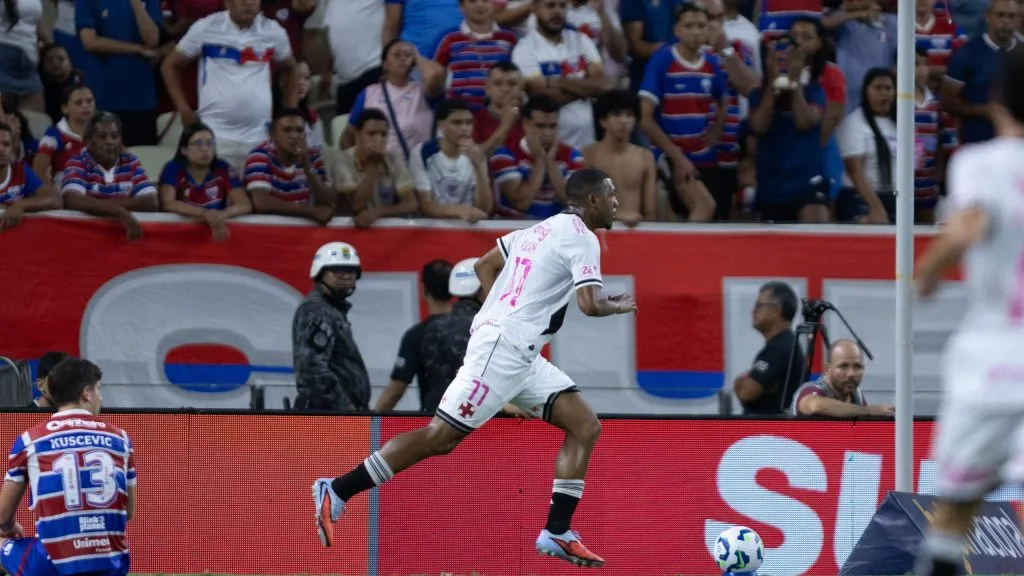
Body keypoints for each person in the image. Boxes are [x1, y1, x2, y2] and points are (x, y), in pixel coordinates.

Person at [311, 168, 636, 569]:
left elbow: (484, 266)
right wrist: (616, 305)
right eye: (611, 194)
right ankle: (338, 489)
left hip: (521, 354)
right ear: (591, 201)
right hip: (504, 349)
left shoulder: (537, 230)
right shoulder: (584, 238)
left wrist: (494, 314)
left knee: (585, 425)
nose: (616, 202)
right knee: (441, 438)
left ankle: (556, 530)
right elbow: (590, 304)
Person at [912, 47, 1024, 576]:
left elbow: (969, 227)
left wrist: (928, 274)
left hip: (994, 356)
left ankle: (939, 567)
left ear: (998, 100)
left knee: (958, 500)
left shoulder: (979, 163)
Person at [0, 357, 135, 576]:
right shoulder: (121, 439)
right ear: (86, 393)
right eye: (98, 389)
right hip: (112, 564)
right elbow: (128, 512)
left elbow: (2, 517)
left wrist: (8, 529)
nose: (101, 397)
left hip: (51, 564)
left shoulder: (29, 440)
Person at [161, 0, 298, 172]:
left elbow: (291, 69)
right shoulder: (206, 27)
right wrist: (183, 108)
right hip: (215, 137)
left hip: (259, 137)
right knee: (216, 196)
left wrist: (290, 113)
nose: (248, 3)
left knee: (259, 196)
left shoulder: (273, 31)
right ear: (228, 3)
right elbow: (169, 66)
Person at [638, 3, 723, 222]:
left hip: (703, 155)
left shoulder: (712, 63)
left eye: (701, 26)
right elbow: (645, 119)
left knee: (698, 216)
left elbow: (723, 98)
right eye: (689, 26)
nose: (695, 31)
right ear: (677, 30)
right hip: (670, 155)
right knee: (704, 206)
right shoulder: (663, 60)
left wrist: (717, 128)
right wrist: (677, 158)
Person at [418, 257, 532, 418]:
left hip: (434, 416)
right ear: (479, 290)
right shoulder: (489, 328)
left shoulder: (433, 328)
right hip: (476, 420)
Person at [512, 0, 606, 149]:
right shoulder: (524, 49)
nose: (557, 11)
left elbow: (601, 85)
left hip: (587, 143)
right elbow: (543, 98)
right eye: (550, 5)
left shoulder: (581, 40)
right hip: (547, 147)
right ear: (535, 8)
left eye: (562, 6)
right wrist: (584, 90)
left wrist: (559, 82)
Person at [292, 242, 372, 412]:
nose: (347, 276)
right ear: (320, 273)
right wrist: (346, 407)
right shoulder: (316, 310)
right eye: (338, 270)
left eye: (352, 271)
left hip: (333, 414)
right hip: (325, 415)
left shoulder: (331, 310)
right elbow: (312, 369)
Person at [60, 111, 158, 240]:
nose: (110, 142)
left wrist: (100, 205)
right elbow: (73, 200)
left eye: (115, 136)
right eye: (102, 136)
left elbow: (150, 201)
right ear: (88, 141)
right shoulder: (78, 162)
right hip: (86, 238)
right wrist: (118, 212)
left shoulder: (130, 161)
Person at [375, 259, 455, 412]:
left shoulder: (417, 335)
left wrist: (370, 422)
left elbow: (396, 390)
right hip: (475, 422)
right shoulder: (474, 329)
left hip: (434, 422)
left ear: (424, 290)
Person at [490, 94, 585, 219]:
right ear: (526, 124)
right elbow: (521, 203)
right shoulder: (504, 155)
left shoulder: (573, 156)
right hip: (515, 230)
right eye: (540, 126)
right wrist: (540, 161)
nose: (547, 133)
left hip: (557, 231)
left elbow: (574, 203)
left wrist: (550, 162)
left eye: (553, 126)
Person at [158, 122, 253, 241]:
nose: (205, 149)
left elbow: (244, 204)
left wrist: (222, 215)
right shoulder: (172, 168)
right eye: (198, 144)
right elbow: (169, 203)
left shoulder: (223, 168)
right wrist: (206, 214)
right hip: (180, 236)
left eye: (210, 143)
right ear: (184, 150)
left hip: (216, 232)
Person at [245, 108, 335, 225]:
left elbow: (327, 201)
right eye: (287, 130)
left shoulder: (312, 157)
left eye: (299, 130)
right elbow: (261, 202)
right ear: (272, 134)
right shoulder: (259, 156)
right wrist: (309, 211)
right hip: (268, 228)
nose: (294, 135)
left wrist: (307, 165)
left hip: (302, 230)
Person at [409, 98, 494, 221]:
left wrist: (478, 167)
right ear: (441, 125)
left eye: (469, 122)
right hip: (432, 227)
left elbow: (484, 209)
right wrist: (459, 211)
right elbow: (425, 205)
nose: (464, 128)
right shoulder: (422, 152)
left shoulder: (476, 154)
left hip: (468, 229)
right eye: (457, 123)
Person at [333, 108, 419, 227]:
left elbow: (411, 203)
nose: (379, 139)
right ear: (357, 136)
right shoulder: (343, 159)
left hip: (384, 228)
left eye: (383, 135)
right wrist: (374, 164)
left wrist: (379, 211)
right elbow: (356, 205)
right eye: (371, 134)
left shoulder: (394, 159)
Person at [583, 89, 656, 227]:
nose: (624, 121)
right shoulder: (587, 155)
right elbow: (580, 206)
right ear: (603, 120)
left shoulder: (645, 157)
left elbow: (650, 211)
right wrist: (617, 215)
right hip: (596, 234)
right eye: (617, 114)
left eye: (629, 115)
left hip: (635, 234)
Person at [732, 281, 805, 415]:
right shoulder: (785, 344)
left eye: (759, 305)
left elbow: (746, 392)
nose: (753, 310)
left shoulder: (779, 349)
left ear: (776, 311)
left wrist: (739, 381)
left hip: (769, 432)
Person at [431, 0, 518, 110]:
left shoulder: (508, 38)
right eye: (472, 1)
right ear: (461, 7)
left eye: (485, 1)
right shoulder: (449, 38)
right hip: (461, 112)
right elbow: (437, 79)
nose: (480, 5)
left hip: (498, 111)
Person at [837, 67, 898, 224]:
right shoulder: (854, 123)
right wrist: (876, 207)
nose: (884, 93)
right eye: (878, 88)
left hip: (893, 196)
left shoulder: (900, 124)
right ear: (866, 91)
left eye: (888, 88)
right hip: (860, 198)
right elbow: (854, 170)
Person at [790, 339, 895, 417]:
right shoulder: (811, 390)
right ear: (827, 369)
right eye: (843, 366)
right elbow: (815, 405)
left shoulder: (856, 395)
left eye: (857, 367)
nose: (851, 373)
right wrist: (868, 411)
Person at [0, 121, 59, 230]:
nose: (2, 149)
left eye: (6, 144)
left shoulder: (20, 170)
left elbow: (54, 200)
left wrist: (20, 205)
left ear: (12, 148)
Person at [33, 84, 95, 186]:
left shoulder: (99, 131)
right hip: (65, 187)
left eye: (89, 101)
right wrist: (52, 194)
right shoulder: (53, 135)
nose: (85, 106)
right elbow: (38, 170)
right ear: (65, 108)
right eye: (78, 103)